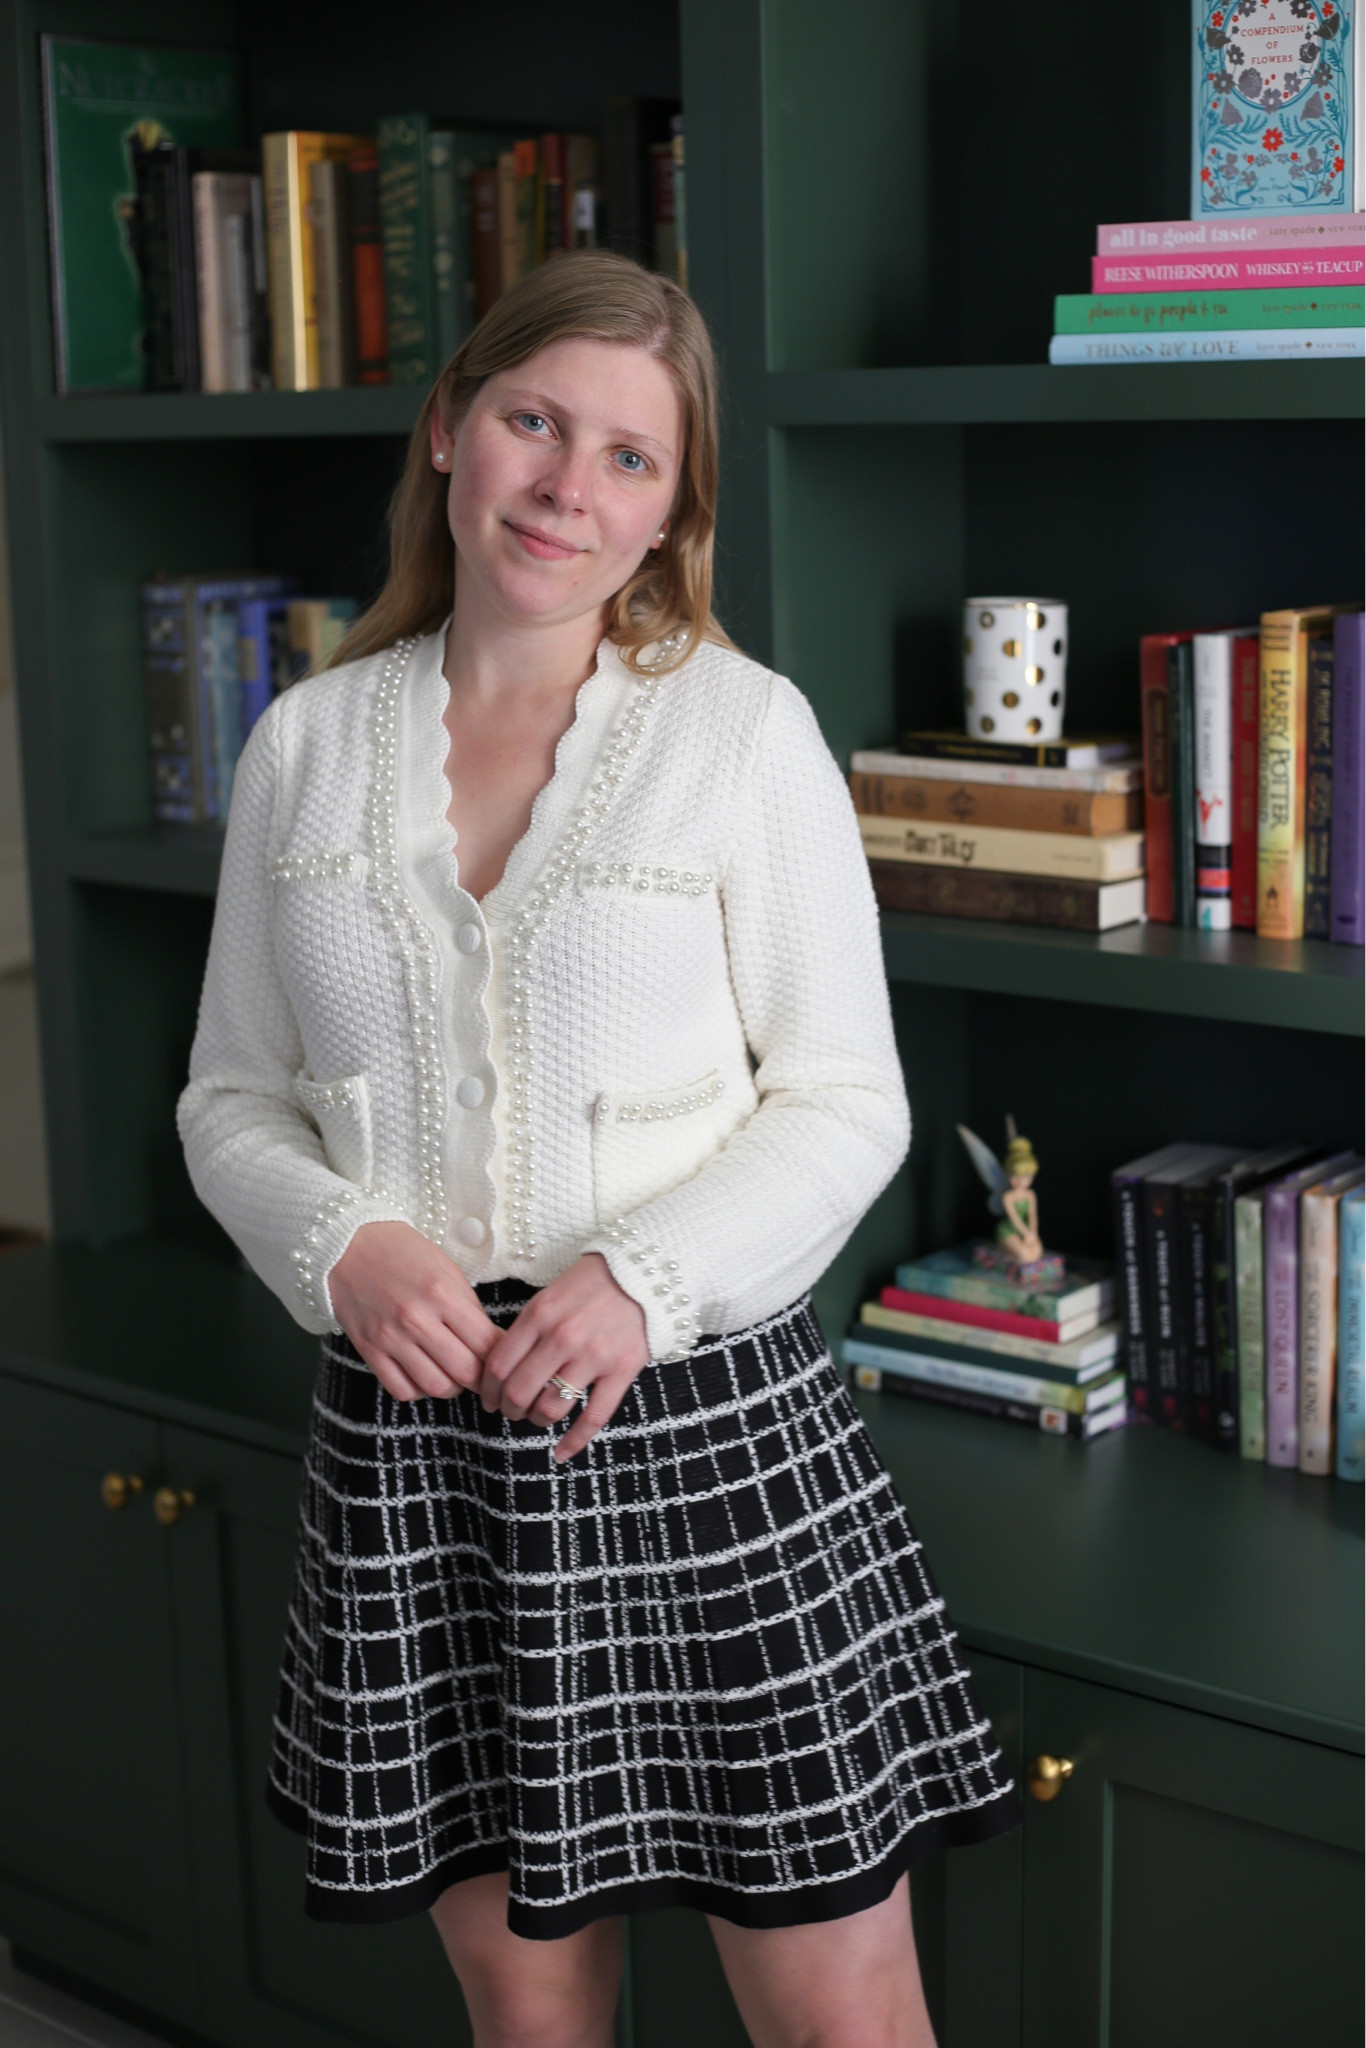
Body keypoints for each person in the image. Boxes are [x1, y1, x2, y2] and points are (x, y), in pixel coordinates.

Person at [178, 248, 1019, 2048]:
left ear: (669, 515)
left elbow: (846, 1097)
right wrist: (338, 1241)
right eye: (534, 422)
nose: (569, 484)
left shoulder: (740, 734)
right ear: (447, 434)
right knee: (524, 1997)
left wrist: (643, 1282)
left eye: (629, 457)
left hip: (696, 1424)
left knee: (836, 1999)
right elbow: (229, 1097)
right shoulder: (303, 745)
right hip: (416, 1451)